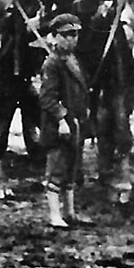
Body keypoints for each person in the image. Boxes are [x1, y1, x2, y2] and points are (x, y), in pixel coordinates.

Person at [37, 12, 92, 229]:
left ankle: (70, 212)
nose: (71, 39)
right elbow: (47, 97)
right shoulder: (52, 63)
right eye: (66, 35)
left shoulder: (73, 60)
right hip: (59, 127)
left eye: (75, 35)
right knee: (56, 170)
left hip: (75, 123)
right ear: (55, 36)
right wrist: (61, 119)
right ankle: (54, 215)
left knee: (71, 170)